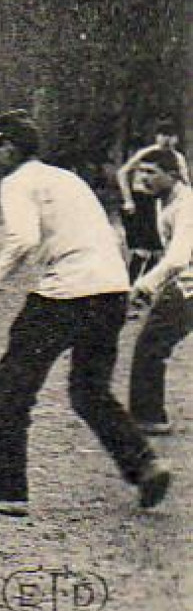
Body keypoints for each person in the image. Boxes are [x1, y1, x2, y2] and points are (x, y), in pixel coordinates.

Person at [0, 110, 171, 517]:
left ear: (11, 149)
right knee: (89, 391)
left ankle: (5, 492)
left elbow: (22, 239)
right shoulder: (66, 178)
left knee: (10, 390)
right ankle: (144, 464)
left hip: (64, 293)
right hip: (110, 289)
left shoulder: (18, 182)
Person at [127, 147, 191, 436]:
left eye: (152, 172)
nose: (143, 178)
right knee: (152, 343)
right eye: (141, 171)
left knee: (151, 344)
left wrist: (145, 284)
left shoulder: (185, 205)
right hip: (183, 284)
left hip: (189, 286)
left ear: (173, 175)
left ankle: (149, 417)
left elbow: (178, 258)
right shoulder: (163, 201)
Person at [118, 120, 188, 281]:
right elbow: (122, 172)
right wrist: (128, 199)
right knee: (141, 248)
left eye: (171, 136)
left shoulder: (178, 158)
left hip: (163, 203)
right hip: (142, 201)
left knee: (159, 248)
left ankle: (149, 283)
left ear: (176, 139)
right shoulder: (147, 154)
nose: (166, 140)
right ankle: (131, 282)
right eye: (163, 135)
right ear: (157, 137)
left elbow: (184, 181)